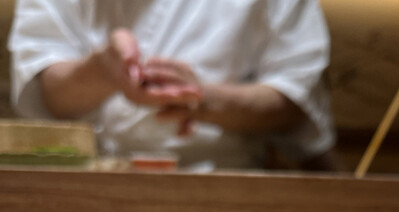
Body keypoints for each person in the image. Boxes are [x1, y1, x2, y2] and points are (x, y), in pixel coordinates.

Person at [8, 0, 337, 171]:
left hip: (223, 183)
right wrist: (100, 71)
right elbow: (43, 90)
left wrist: (204, 100)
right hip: (87, 179)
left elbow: (294, 97)